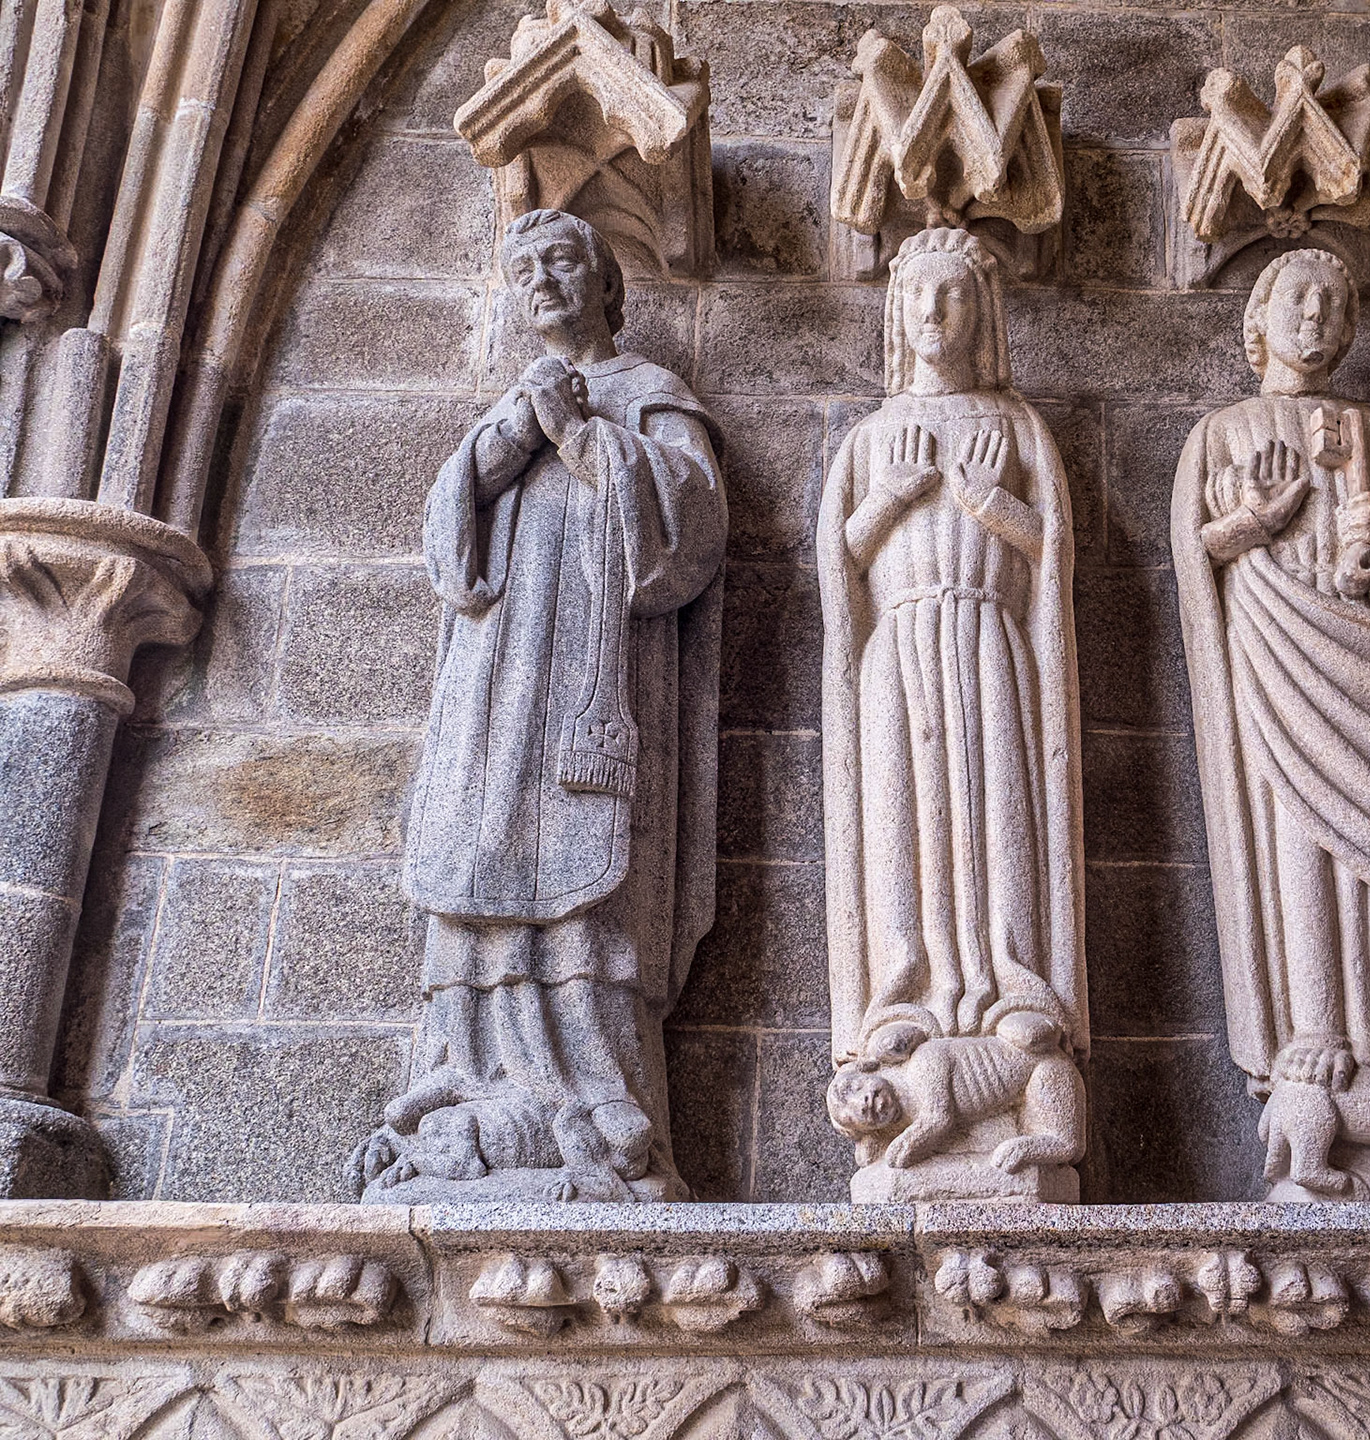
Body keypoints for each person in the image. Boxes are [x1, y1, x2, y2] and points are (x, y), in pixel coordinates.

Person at [349, 208, 726, 1203]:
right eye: (523, 269)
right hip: (490, 704)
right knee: (474, 867)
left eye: (563, 261)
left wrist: (583, 436)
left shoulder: (650, 396)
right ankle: (462, 1093)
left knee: (581, 887)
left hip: (590, 687)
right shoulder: (507, 409)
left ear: (609, 287)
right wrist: (516, 431)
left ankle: (595, 1111)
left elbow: (695, 529)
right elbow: (449, 546)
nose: (542, 280)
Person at [1171, 247, 1370, 1201]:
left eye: (1332, 302)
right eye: (1296, 298)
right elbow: (1198, 554)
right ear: (1258, 320)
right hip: (1276, 648)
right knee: (1298, 834)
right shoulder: (1220, 432)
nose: (1314, 315)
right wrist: (1255, 527)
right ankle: (1318, 1033)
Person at [816, 227, 1086, 1200]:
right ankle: (907, 999)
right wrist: (888, 500)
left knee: (993, 820)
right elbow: (839, 565)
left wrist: (981, 499)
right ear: (897, 313)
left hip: (987, 643)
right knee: (905, 834)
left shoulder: (1014, 429)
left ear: (982, 313)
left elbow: (1051, 549)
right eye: (920, 295)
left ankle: (1011, 982)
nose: (936, 314)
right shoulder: (868, 439)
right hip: (897, 651)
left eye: (954, 295)